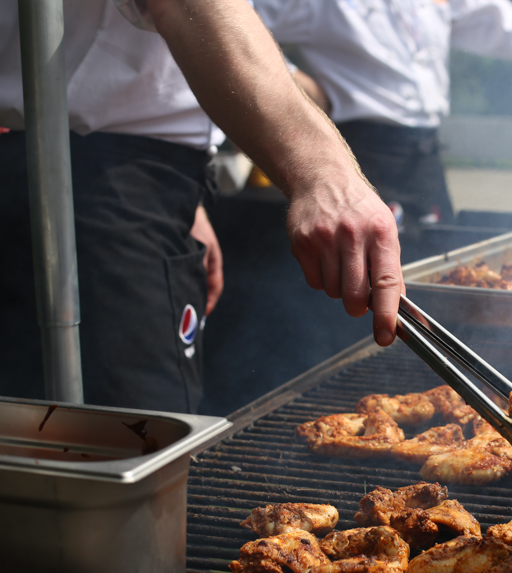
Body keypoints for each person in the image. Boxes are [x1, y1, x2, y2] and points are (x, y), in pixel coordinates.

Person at [0, 0, 402, 413]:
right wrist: (326, 175)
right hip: (94, 186)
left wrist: (185, 200)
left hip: (113, 169)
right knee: (136, 436)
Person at [253, 0, 512, 227]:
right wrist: (298, 87)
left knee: (434, 285)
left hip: (425, 159)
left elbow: (508, 28)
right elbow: (235, 25)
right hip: (358, 153)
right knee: (366, 291)